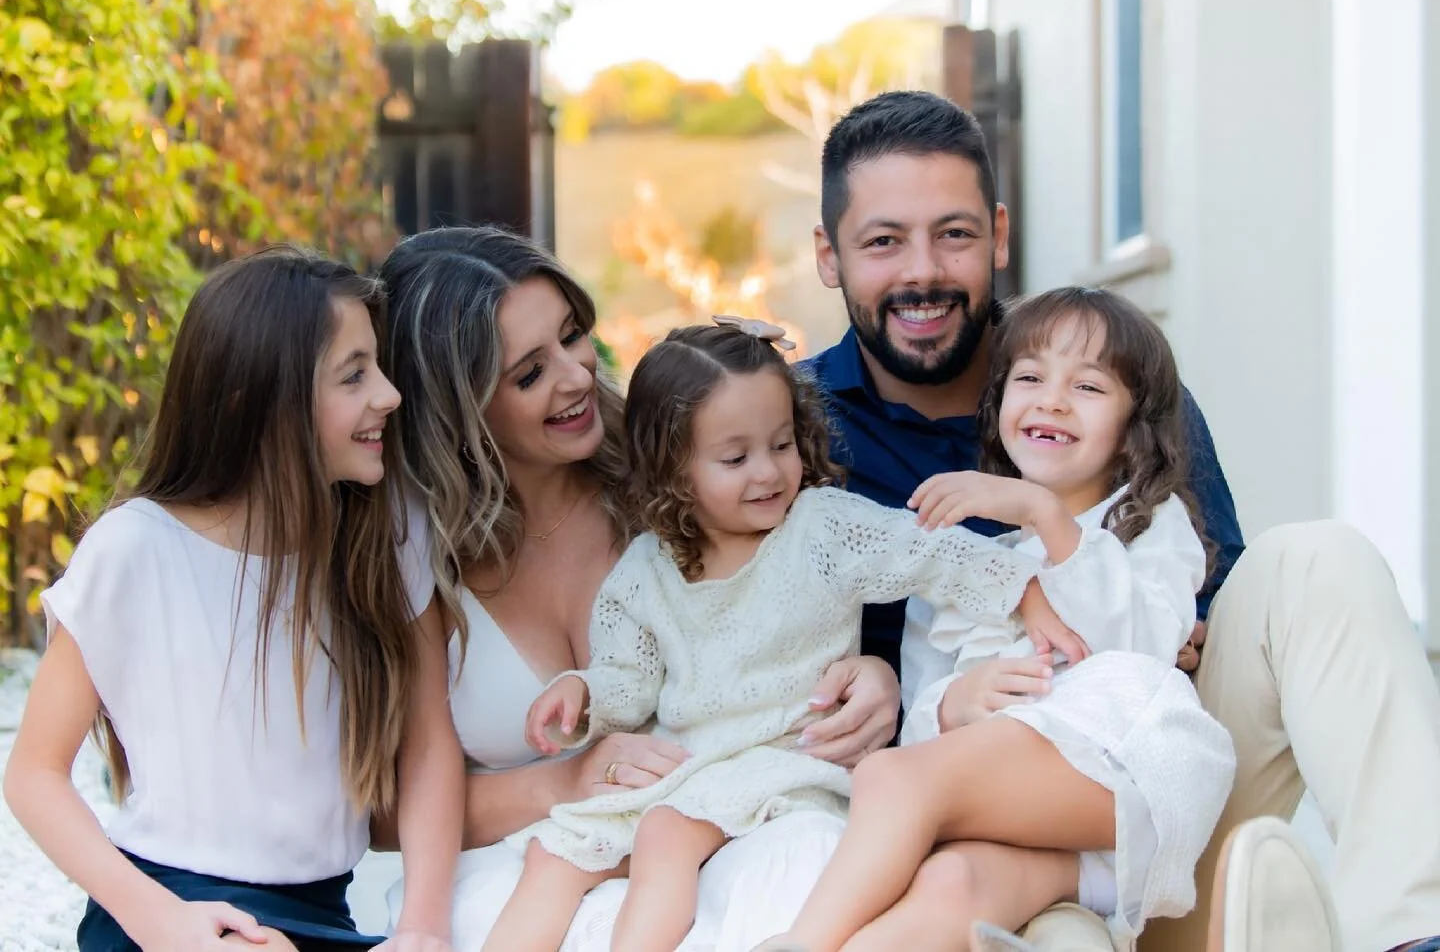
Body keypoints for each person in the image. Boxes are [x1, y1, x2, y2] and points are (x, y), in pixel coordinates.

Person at [804, 90, 1440, 952]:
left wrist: (1163, 621)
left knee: (1317, 561)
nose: (923, 272)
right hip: (965, 825)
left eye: (953, 234)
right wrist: (891, 682)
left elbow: (1212, 599)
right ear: (829, 254)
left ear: (997, 234)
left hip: (1153, 781)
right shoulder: (794, 431)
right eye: (883, 240)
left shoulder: (1118, 379)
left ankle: (1411, 931)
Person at [375, 228, 905, 951]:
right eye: (529, 373)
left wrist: (876, 676)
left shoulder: (687, 478)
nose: (575, 376)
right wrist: (558, 787)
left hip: (727, 835)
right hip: (529, 866)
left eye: (572, 336)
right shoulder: (417, 554)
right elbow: (377, 812)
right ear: (457, 409)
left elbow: (808, 596)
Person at [488, 320, 1069, 952]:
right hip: (692, 769)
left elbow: (933, 555)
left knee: (665, 835)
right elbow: (629, 681)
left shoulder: (820, 527)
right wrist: (583, 694)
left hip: (790, 762)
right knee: (554, 853)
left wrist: (1028, 596)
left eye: (782, 444)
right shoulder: (647, 569)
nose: (767, 473)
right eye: (735, 458)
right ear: (674, 471)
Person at [2, 248, 461, 952]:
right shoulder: (135, 550)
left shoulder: (386, 536)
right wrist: (157, 921)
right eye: (354, 375)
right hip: (164, 914)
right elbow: (34, 774)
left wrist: (424, 929)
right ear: (263, 402)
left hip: (322, 919)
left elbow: (428, 746)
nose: (390, 395)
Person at [764, 287, 1235, 952]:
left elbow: (1140, 648)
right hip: (1056, 852)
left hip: (1132, 776)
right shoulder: (971, 570)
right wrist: (956, 704)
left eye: (1089, 387)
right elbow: (923, 715)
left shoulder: (1152, 526)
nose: (1051, 400)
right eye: (1031, 378)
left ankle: (797, 945)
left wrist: (1044, 512)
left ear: (1136, 427)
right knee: (952, 882)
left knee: (888, 780)